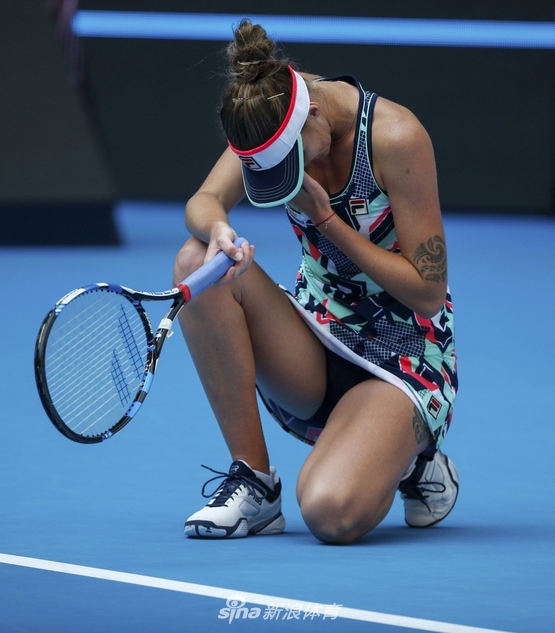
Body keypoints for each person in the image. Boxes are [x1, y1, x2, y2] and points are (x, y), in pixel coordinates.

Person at [175, 19, 459, 545]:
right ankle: (255, 483)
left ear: (315, 112)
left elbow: (428, 293)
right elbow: (204, 200)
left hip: (404, 360)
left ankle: (414, 460)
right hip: (313, 337)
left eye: (294, 160)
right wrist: (219, 231)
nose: (288, 171)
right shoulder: (267, 109)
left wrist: (328, 221)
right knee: (197, 261)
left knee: (330, 514)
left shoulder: (396, 137)